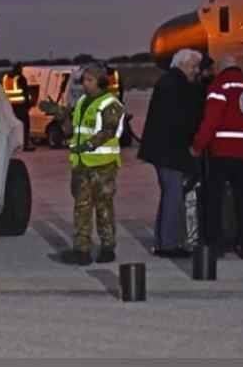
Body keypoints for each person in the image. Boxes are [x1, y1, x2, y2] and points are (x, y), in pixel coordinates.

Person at [191, 53, 243, 259]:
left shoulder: (219, 86)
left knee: (215, 197)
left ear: (220, 68)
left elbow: (211, 121)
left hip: (222, 151)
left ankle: (215, 243)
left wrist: (198, 145)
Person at [57, 63, 125, 265]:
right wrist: (61, 118)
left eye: (89, 80)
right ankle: (82, 250)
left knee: (103, 207)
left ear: (101, 81)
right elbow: (71, 132)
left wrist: (88, 145)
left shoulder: (110, 103)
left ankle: (107, 246)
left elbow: (108, 131)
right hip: (81, 164)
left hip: (103, 165)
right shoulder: (82, 103)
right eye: (84, 80)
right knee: (81, 208)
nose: (85, 84)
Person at [139, 49, 203, 257]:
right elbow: (181, 120)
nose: (196, 70)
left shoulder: (168, 83)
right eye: (193, 66)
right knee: (173, 196)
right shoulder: (176, 85)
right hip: (170, 152)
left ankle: (165, 240)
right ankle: (168, 244)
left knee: (170, 195)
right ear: (182, 64)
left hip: (164, 151)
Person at [2, 63, 34, 152]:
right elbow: (25, 93)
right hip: (20, 107)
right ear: (19, 69)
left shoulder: (6, 78)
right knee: (25, 126)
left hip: (9, 107)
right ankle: (25, 145)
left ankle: (12, 145)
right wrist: (28, 104)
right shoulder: (21, 78)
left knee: (12, 127)